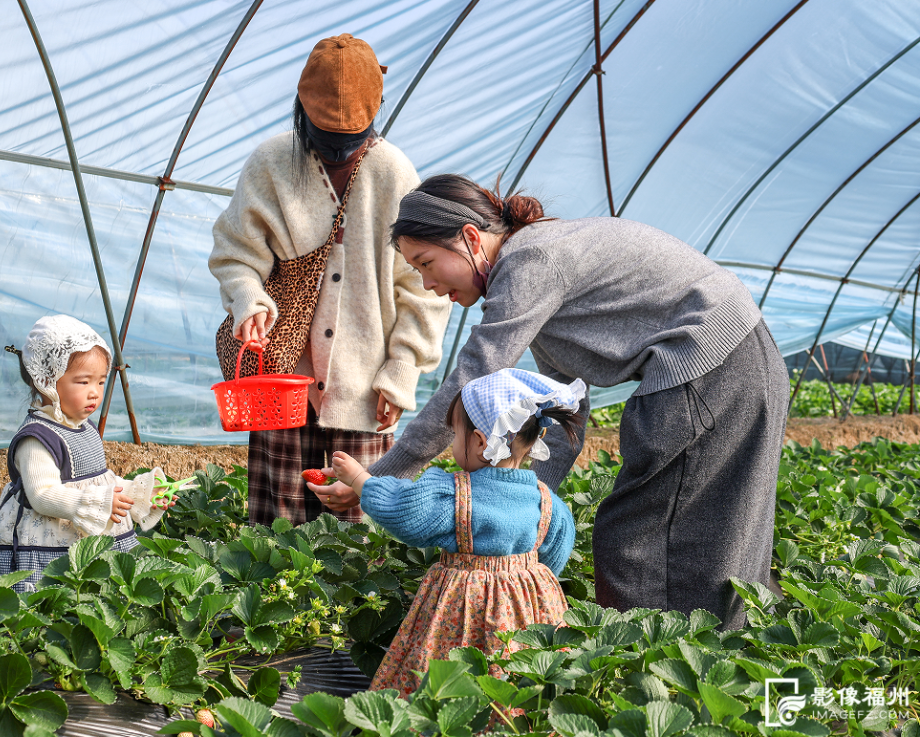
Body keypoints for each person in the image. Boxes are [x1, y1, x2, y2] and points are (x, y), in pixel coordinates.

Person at [311, 174, 790, 630]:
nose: (428, 285)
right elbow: (561, 408)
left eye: (426, 263)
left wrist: (381, 477)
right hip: (739, 357)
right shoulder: (543, 264)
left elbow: (471, 378)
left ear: (471, 238)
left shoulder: (530, 263)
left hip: (708, 366)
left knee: (641, 538)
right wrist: (522, 498)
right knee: (723, 524)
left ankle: (652, 671)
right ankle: (729, 650)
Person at [208, 33, 450, 527]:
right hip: (281, 384)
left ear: (375, 114)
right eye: (324, 141)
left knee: (361, 535)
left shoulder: (395, 173)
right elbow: (235, 255)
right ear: (301, 108)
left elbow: (421, 289)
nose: (339, 154)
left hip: (365, 390)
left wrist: (400, 372)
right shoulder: (271, 163)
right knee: (278, 534)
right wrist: (249, 301)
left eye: (352, 143)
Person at [324, 368, 582, 695]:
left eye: (456, 435)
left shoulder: (457, 496)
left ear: (479, 442)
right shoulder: (546, 501)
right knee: (521, 684)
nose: (454, 443)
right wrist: (524, 582)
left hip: (460, 611)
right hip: (528, 612)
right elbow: (556, 554)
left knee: (446, 682)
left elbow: (405, 511)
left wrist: (361, 480)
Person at [0, 315, 173, 592]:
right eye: (83, 382)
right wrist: (96, 504)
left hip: (84, 535)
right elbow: (43, 496)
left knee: (102, 594)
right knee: (54, 599)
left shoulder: (84, 428)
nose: (94, 393)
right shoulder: (37, 439)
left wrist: (140, 494)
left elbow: (99, 482)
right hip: (50, 542)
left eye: (101, 382)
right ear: (46, 381)